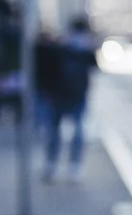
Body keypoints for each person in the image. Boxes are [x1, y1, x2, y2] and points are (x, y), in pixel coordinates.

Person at [37, 15, 98, 183]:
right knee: (54, 132)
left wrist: (88, 49)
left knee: (77, 132)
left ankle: (74, 166)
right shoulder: (59, 47)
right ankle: (52, 164)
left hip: (77, 96)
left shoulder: (85, 50)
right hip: (58, 96)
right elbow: (46, 66)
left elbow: (94, 66)